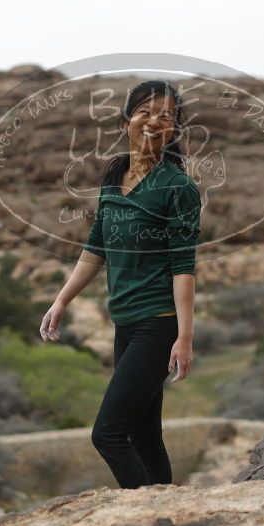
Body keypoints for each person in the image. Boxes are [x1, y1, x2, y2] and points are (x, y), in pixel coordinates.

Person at [39, 80, 201, 489]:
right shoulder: (114, 177)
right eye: (145, 111)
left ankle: (143, 514)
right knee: (144, 434)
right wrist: (61, 301)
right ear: (126, 119)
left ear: (175, 130)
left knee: (108, 434)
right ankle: (169, 511)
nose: (153, 121)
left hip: (157, 323)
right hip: (126, 323)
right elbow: (97, 247)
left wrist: (184, 337)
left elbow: (183, 267)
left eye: (166, 116)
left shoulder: (177, 188)